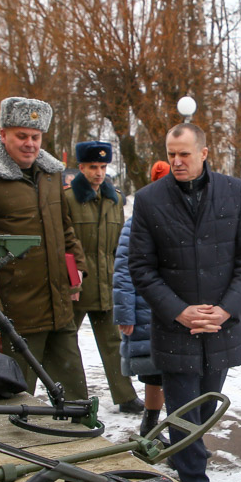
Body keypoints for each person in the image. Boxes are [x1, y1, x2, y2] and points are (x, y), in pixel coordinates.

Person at [129, 125, 241, 482]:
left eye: (184, 154)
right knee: (183, 410)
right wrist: (179, 311)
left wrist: (227, 309)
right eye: (171, 154)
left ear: (204, 153)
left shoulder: (233, 192)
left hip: (221, 326)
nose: (176, 161)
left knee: (205, 407)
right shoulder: (149, 200)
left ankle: (187, 454)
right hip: (176, 328)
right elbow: (141, 267)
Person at [0, 96, 89, 402]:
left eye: (35, 137)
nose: (30, 144)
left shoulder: (51, 175)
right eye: (22, 136)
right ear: (3, 135)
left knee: (75, 397)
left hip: (60, 307)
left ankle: (79, 431)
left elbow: (65, 230)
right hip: (16, 312)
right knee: (14, 398)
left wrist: (76, 273)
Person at [64, 141, 142, 414]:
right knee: (65, 344)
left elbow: (120, 243)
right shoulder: (67, 199)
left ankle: (125, 396)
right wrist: (71, 280)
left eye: (102, 167)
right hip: (77, 284)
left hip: (107, 283)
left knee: (113, 342)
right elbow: (64, 244)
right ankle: (72, 398)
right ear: (81, 168)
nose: (98, 173)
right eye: (92, 167)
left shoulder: (114, 199)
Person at [113, 161, 171, 438]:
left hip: (174, 310)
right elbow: (123, 270)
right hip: (147, 309)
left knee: (176, 373)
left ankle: (180, 432)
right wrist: (125, 314)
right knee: (155, 373)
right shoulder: (138, 221)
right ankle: (151, 424)